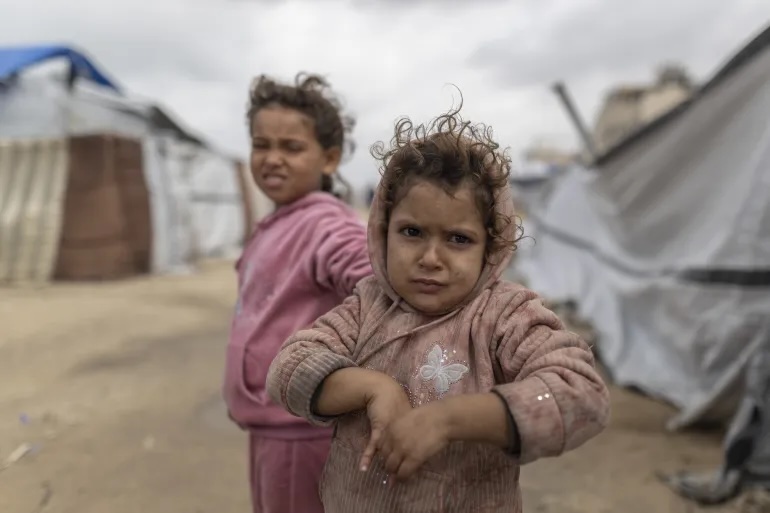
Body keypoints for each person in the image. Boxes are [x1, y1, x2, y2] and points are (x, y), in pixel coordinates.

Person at [266, 101, 610, 512]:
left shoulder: (505, 315)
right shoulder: (367, 305)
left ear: (491, 248)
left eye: (458, 239)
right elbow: (288, 368)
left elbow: (582, 394)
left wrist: (449, 419)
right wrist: (373, 387)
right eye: (412, 232)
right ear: (383, 232)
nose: (431, 257)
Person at [223, 72, 372, 513]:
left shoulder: (325, 223)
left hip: (301, 431)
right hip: (269, 426)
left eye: (291, 148)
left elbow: (374, 280)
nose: (272, 159)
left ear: (328, 159)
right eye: (261, 145)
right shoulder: (282, 220)